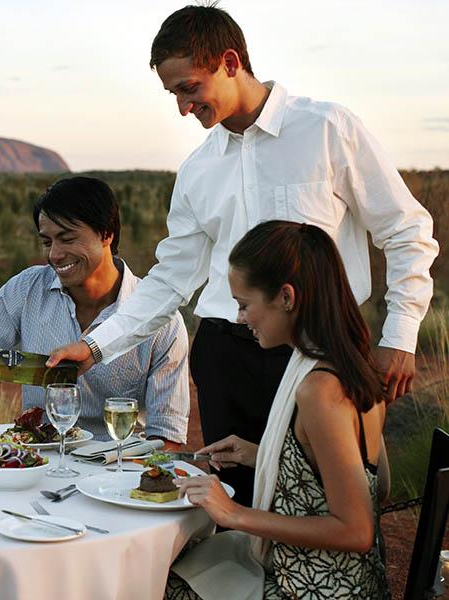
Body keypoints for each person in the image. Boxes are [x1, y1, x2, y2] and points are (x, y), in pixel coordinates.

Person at [48, 5, 438, 504]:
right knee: (230, 510)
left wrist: (401, 333)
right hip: (225, 359)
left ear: (230, 61)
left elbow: (408, 231)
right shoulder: (197, 170)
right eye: (173, 94)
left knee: (327, 505)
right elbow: (170, 280)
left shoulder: (327, 129)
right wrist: (97, 345)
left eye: (188, 87)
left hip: (319, 354)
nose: (183, 107)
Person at [163, 220, 389, 599]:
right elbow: (371, 481)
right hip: (334, 575)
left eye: (244, 305)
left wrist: (234, 513)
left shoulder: (320, 389)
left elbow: (357, 530)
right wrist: (262, 454)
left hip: (314, 587)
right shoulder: (349, 361)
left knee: (158, 582)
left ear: (286, 297)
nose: (239, 319)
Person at [0, 176, 190, 444]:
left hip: (116, 469)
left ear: (106, 234)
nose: (54, 254)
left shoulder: (162, 321)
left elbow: (167, 435)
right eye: (47, 241)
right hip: (36, 462)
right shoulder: (26, 289)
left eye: (67, 239)